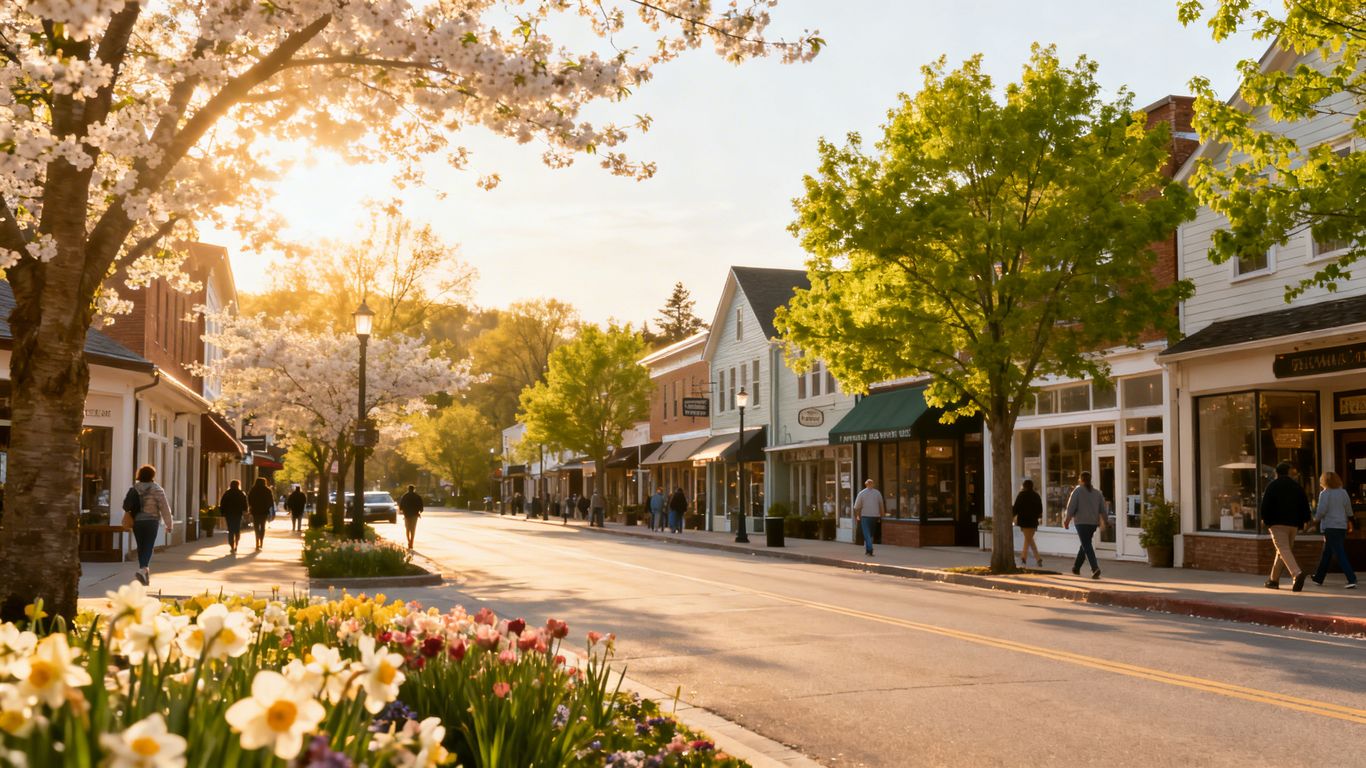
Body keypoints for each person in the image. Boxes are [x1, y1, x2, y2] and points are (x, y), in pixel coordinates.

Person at [1259, 461, 1313, 591]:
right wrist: (1306, 520)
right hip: (1294, 524)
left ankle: (1296, 573)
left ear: (1276, 473)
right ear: (1288, 472)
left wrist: (1264, 519)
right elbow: (1304, 504)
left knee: (1283, 549)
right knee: (1283, 551)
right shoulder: (1297, 486)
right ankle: (1273, 580)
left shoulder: (1272, 486)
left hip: (1277, 523)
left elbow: (1265, 504)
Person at [1311, 471, 1357, 589]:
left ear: (1324, 481)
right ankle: (1318, 577)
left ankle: (1351, 578)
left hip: (1330, 527)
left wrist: (1315, 520)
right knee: (1327, 553)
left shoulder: (1325, 494)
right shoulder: (1343, 492)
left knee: (1339, 553)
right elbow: (1348, 510)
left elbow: (1322, 510)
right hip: (1341, 526)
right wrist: (1351, 522)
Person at [129, 464, 174, 585]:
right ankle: (143, 569)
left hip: (137, 521)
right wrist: (169, 524)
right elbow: (164, 507)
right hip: (151, 521)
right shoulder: (157, 489)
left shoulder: (135, 488)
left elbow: (128, 505)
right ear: (152, 475)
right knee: (148, 546)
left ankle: (144, 573)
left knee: (141, 546)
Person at [1063, 471, 1107, 579]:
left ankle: (1095, 568)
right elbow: (1103, 509)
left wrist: (1067, 520)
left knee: (1086, 545)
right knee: (1085, 544)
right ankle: (1076, 567)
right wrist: (1106, 521)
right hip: (1093, 523)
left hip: (1081, 522)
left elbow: (1071, 507)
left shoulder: (1077, 491)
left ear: (1080, 479)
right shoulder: (1097, 493)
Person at [1012, 478, 1043, 568]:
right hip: (1033, 520)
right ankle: (1035, 558)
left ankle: (1025, 557)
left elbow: (1016, 508)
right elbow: (1040, 509)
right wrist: (1038, 516)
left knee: (1028, 539)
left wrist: (1012, 516)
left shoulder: (1021, 495)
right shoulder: (1036, 495)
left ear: (1024, 486)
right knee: (1029, 539)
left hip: (1024, 521)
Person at [851, 479, 884, 557]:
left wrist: (857, 516)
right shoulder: (877, 493)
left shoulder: (861, 493)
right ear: (873, 484)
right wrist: (882, 515)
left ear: (866, 484)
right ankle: (867, 549)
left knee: (867, 534)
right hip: (875, 516)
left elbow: (856, 507)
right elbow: (881, 505)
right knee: (871, 534)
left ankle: (870, 550)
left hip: (865, 516)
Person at [219, 479, 248, 555]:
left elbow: (222, 503)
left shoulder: (227, 493)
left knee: (231, 530)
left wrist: (222, 513)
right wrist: (245, 510)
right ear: (238, 485)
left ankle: (232, 545)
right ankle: (236, 544)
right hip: (238, 514)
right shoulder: (241, 493)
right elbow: (245, 504)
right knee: (237, 529)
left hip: (229, 514)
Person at [247, 477, 275, 551]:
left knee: (256, 527)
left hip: (255, 511)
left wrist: (251, 506)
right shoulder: (267, 490)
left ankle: (257, 541)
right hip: (264, 511)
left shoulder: (253, 490)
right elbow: (271, 501)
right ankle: (261, 541)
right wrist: (268, 507)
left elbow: (249, 499)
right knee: (262, 526)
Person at [399, 484, 424, 549]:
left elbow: (401, 506)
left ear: (408, 489)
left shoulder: (404, 496)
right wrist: (420, 511)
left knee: (407, 529)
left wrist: (403, 511)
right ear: (414, 489)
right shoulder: (417, 496)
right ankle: (411, 543)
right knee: (413, 529)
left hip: (407, 515)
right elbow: (421, 507)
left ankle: (409, 541)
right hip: (415, 515)